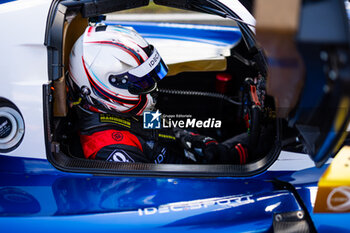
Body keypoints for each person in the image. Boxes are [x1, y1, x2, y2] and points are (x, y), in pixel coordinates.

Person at [68, 24, 250, 164]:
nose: (152, 86)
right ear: (107, 85)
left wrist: (194, 139)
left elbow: (163, 127)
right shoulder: (110, 148)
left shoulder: (129, 109)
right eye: (142, 81)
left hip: (192, 159)